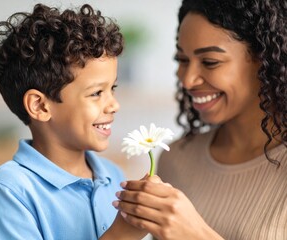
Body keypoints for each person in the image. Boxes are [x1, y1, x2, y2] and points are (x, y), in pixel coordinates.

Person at [113, 0, 287, 239]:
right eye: (182, 60)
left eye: (210, 62)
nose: (188, 80)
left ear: (265, 61)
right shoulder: (176, 159)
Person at [0, 3, 148, 240]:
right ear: (40, 105)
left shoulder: (115, 176)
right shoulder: (9, 191)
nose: (114, 105)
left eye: (113, 88)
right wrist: (121, 235)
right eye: (97, 93)